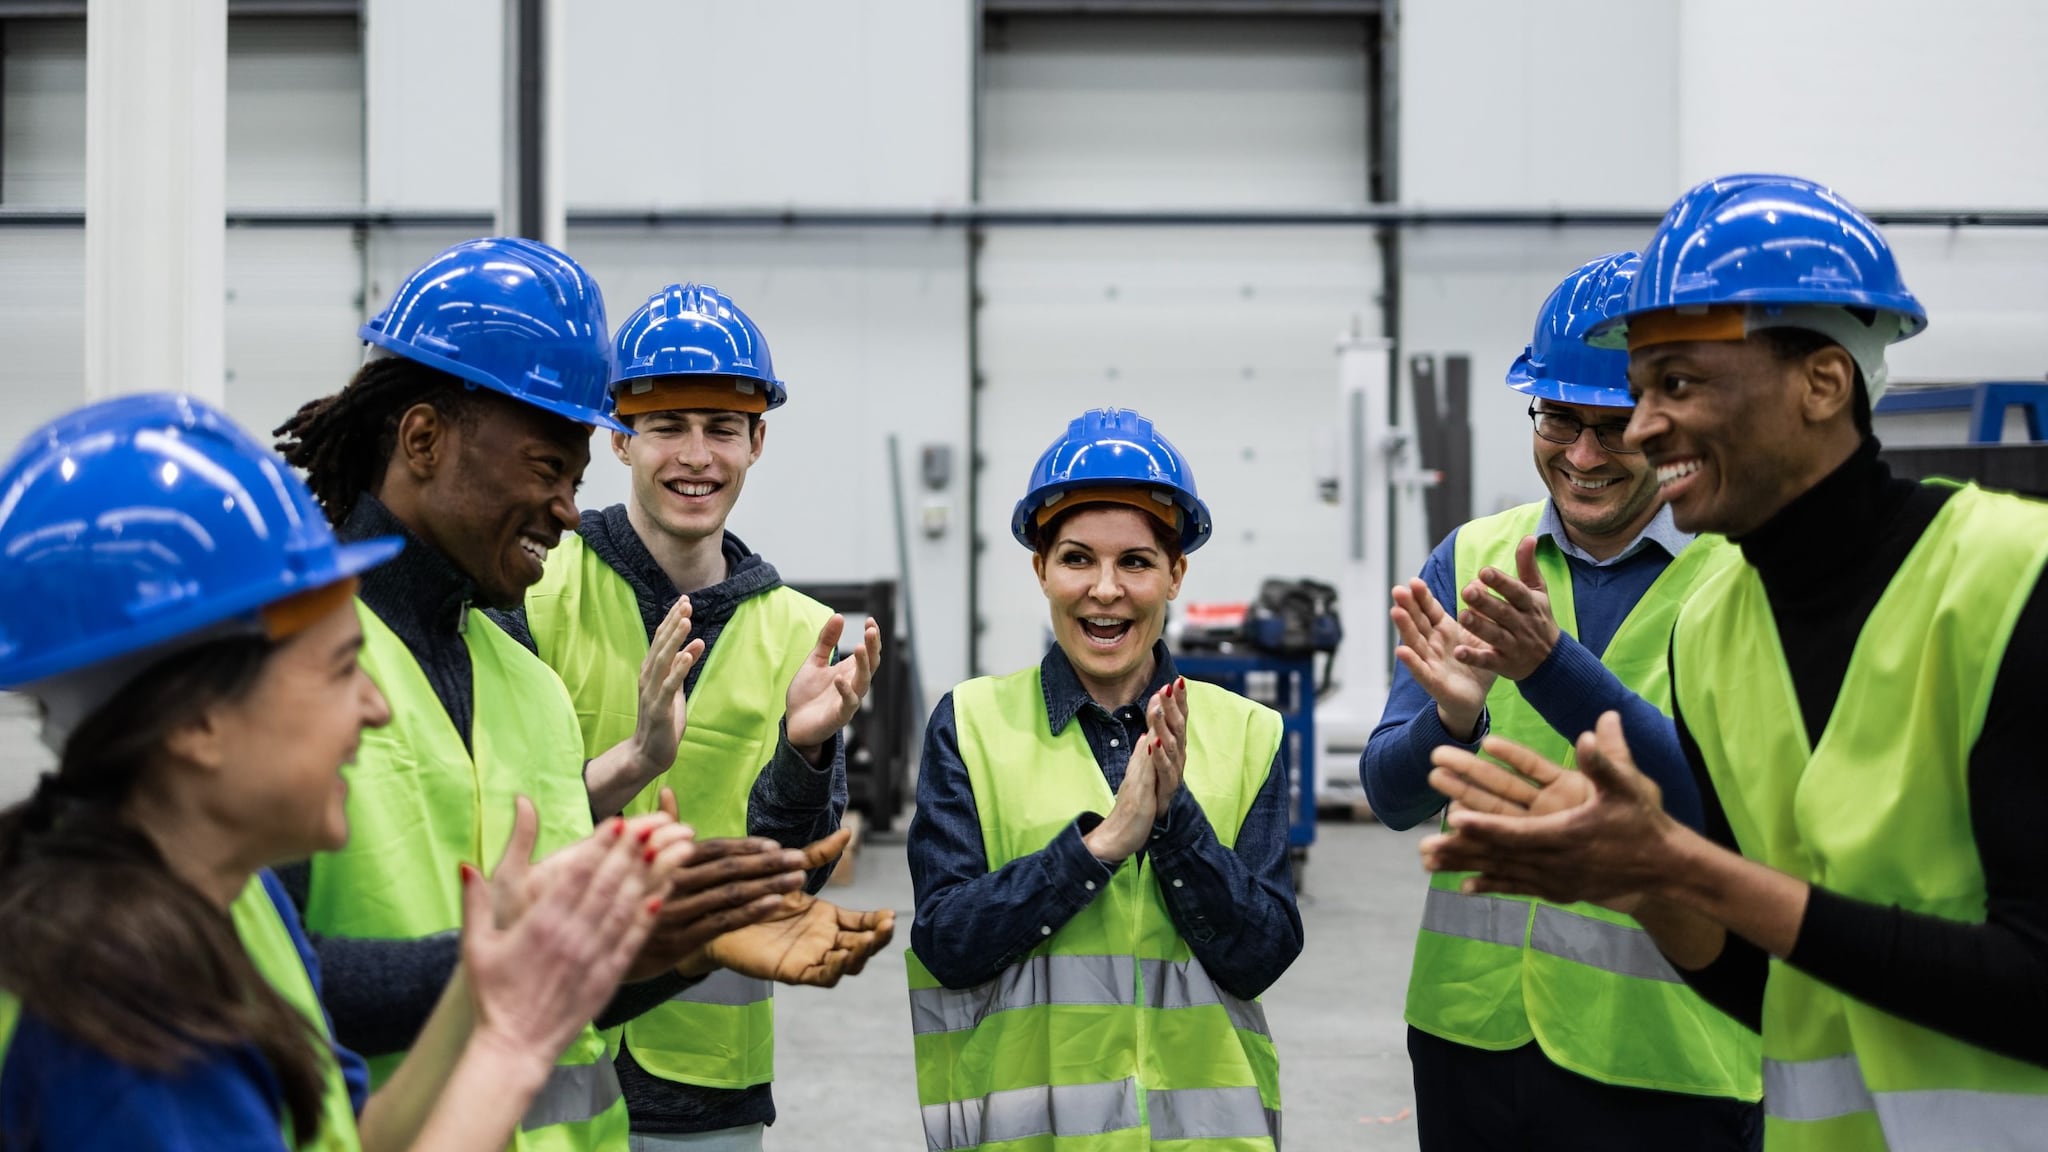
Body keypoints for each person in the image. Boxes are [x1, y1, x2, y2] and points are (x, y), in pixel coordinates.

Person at [1421, 174, 2048, 1150]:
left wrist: (1692, 873)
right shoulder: (1715, 626)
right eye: (1635, 393)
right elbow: (1761, 983)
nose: (1635, 429)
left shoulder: (2011, 582)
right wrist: (1641, 885)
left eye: (1675, 383)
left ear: (1821, 382)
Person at [270, 238, 891, 1151]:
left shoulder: (519, 681)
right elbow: (240, 976)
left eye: (573, 481)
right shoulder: (281, 662)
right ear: (423, 438)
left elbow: (563, 983)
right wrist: (517, 963)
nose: (568, 510)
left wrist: (684, 948)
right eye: (544, 470)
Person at [0, 393, 690, 1150]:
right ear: (195, 720)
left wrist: (493, 986)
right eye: (338, 669)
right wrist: (510, 1042)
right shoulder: (118, 1018)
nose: (376, 706)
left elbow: (348, 1137)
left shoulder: (236, 904)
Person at [1361, 253, 1760, 1149]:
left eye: (1611, 427)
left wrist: (1548, 667)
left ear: (1667, 418)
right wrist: (1453, 719)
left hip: (1672, 1053)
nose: (1579, 456)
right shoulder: (1473, 556)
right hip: (1472, 1034)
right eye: (1556, 419)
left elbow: (1720, 809)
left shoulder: (1744, 574)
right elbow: (1390, 799)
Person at [492, 282, 889, 1151]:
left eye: (720, 428)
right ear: (620, 438)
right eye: (667, 426)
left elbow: (794, 884)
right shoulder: (537, 589)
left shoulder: (801, 633)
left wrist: (804, 758)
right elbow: (491, 820)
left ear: (758, 442)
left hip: (709, 1080)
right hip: (540, 1051)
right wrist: (631, 762)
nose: (695, 456)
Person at [906, 407, 1302, 1151]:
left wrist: (1176, 824)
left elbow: (1262, 955)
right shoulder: (970, 723)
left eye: (1137, 562)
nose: (1106, 589)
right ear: (1042, 570)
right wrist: (1099, 850)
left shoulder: (1250, 734)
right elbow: (946, 942)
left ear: (1176, 574)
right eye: (1079, 558)